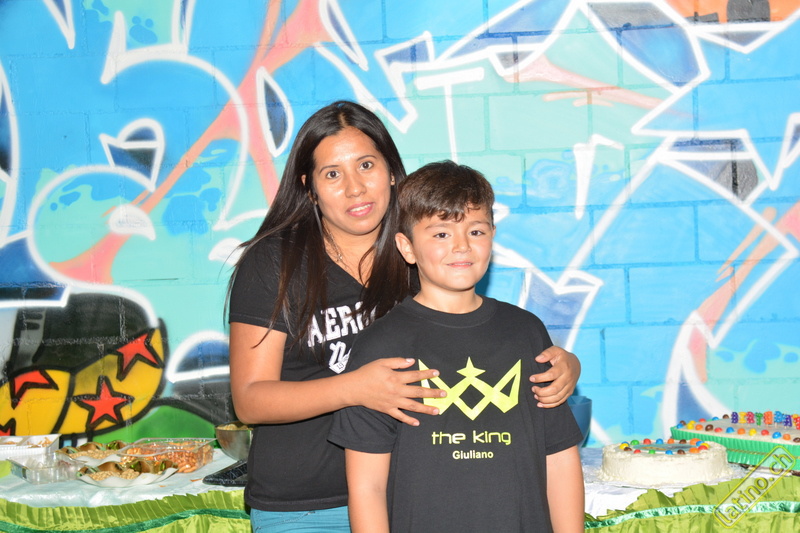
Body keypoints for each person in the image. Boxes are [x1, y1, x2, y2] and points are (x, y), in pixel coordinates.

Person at [228, 101, 581, 532]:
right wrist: (354, 387)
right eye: (333, 174)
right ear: (310, 187)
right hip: (306, 504)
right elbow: (250, 399)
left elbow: (488, 344)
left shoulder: (427, 253)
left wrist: (564, 366)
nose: (355, 188)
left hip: (412, 496)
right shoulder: (275, 263)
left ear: (392, 172)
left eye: (366, 165)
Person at [329, 160, 585, 532]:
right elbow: (367, 487)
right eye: (441, 234)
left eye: (476, 231)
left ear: (492, 236)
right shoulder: (381, 345)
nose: (462, 246)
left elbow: (560, 459)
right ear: (407, 247)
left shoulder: (526, 332)